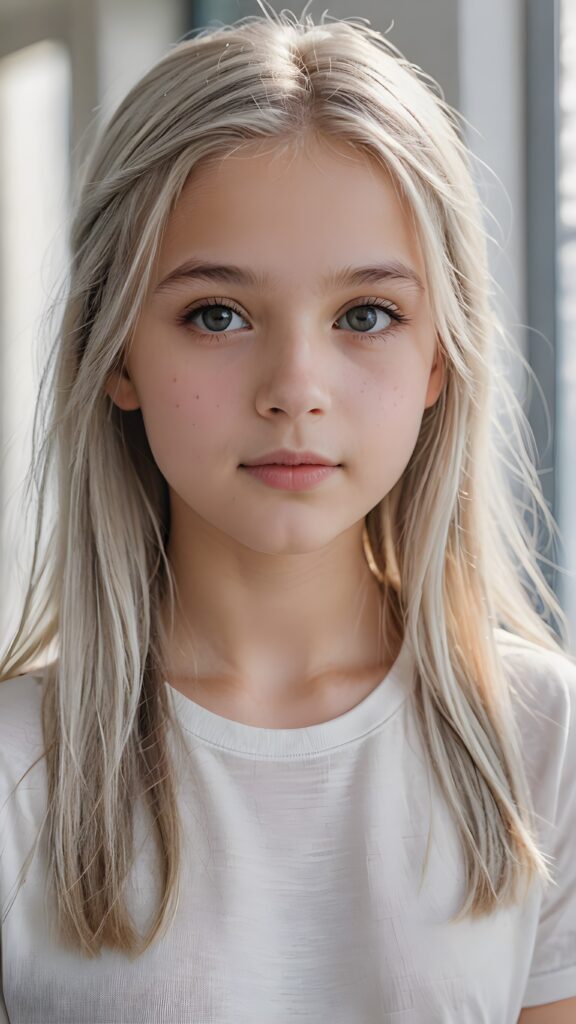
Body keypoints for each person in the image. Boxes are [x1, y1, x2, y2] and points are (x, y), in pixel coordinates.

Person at [0, 4, 575, 1022]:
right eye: (216, 315)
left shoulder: (542, 734)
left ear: (438, 356)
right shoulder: (16, 768)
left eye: (366, 315)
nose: (295, 386)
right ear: (118, 351)